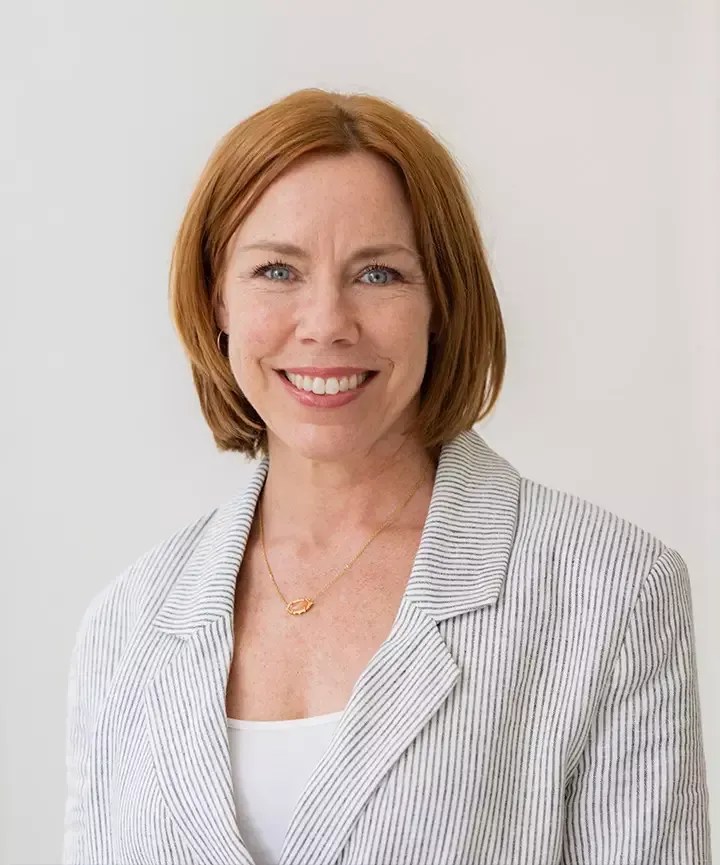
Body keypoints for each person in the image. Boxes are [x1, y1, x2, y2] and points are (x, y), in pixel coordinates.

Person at [62, 88, 711, 865]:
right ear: (216, 299)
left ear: (441, 300)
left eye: (378, 274)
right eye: (277, 269)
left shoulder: (611, 592)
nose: (327, 321)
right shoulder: (124, 628)